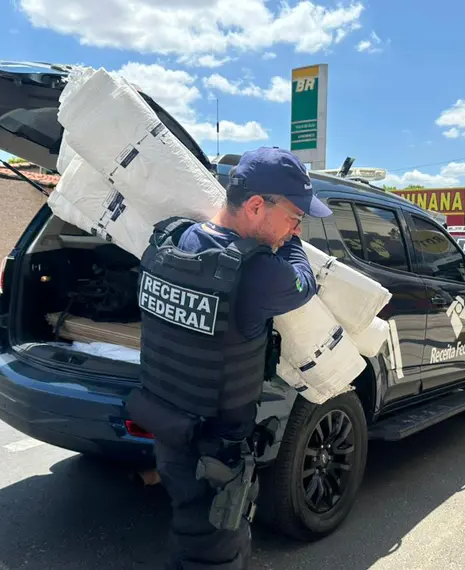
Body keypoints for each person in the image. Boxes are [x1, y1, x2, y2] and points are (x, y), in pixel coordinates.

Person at [127, 147, 332, 570]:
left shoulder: (176, 239)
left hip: (169, 426)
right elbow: (305, 281)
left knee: (192, 530)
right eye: (295, 217)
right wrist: (290, 245)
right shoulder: (259, 274)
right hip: (215, 451)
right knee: (213, 550)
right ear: (257, 205)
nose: (296, 228)